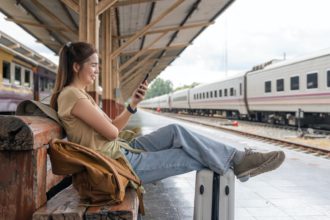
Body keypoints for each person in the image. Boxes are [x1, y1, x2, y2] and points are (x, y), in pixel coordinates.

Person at [50, 42, 285, 185]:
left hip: (120, 152)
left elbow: (112, 126)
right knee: (194, 156)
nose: (97, 70)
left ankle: (238, 159)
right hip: (115, 165)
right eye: (93, 65)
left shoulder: (81, 95)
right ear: (76, 66)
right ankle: (239, 163)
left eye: (98, 65)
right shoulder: (72, 96)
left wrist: (133, 104)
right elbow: (112, 132)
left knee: (176, 131)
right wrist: (115, 124)